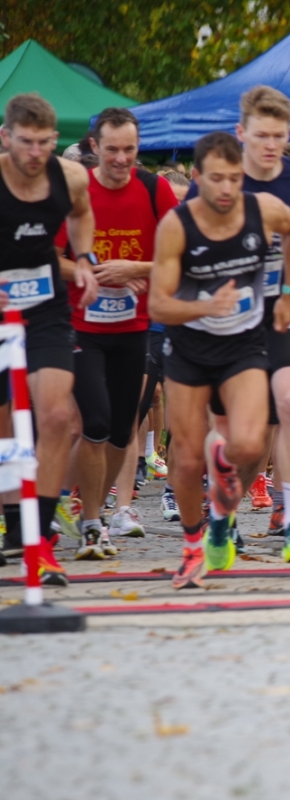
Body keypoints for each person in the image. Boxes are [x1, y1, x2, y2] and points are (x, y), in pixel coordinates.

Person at [149, 131, 290, 588]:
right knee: (185, 460)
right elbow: (158, 305)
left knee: (250, 445)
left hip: (243, 344)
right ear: (197, 177)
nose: (226, 189)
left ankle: (221, 487)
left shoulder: (264, 210)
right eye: (216, 179)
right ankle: (192, 548)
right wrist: (204, 305)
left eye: (234, 179)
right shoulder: (177, 226)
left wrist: (289, 293)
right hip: (189, 348)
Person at [188, 87, 290, 548]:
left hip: (276, 307)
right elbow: (185, 237)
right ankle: (221, 513)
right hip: (226, 315)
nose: (271, 145)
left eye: (278, 136)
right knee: (237, 433)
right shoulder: (220, 178)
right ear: (241, 133)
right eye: (261, 136)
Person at [54, 107, 177, 554]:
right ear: (94, 146)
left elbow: (181, 253)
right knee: (95, 422)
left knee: (122, 432)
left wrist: (135, 269)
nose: (122, 159)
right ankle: (87, 520)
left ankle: (86, 509)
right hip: (80, 326)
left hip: (134, 327)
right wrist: (89, 273)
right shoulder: (77, 190)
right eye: (112, 150)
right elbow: (51, 258)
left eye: (130, 149)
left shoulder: (155, 189)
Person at [0, 93, 99, 584]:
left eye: (44, 142)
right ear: (6, 138)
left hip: (44, 307)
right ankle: (13, 524)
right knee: (4, 423)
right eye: (26, 142)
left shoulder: (72, 176)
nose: (35, 153)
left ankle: (38, 540)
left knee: (58, 417)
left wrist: (84, 259)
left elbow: (81, 214)